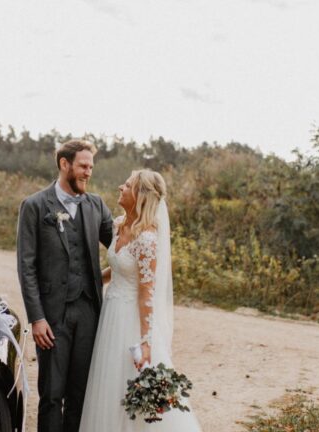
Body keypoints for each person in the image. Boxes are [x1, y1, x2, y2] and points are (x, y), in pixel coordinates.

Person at [79, 169, 202, 431]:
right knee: (108, 384)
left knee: (132, 386)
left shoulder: (147, 238)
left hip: (130, 321)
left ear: (140, 196)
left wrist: (146, 343)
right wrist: (91, 282)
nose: (120, 188)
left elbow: (147, 293)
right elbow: (121, 268)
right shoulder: (118, 225)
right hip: (110, 314)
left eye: (126, 185)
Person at [16, 139, 113, 432]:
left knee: (79, 396)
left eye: (91, 167)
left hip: (89, 313)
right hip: (52, 317)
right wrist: (37, 317)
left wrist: (146, 217)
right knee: (51, 395)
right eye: (83, 166)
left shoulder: (96, 205)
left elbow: (121, 247)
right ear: (64, 164)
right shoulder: (34, 206)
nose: (88, 172)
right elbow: (26, 266)